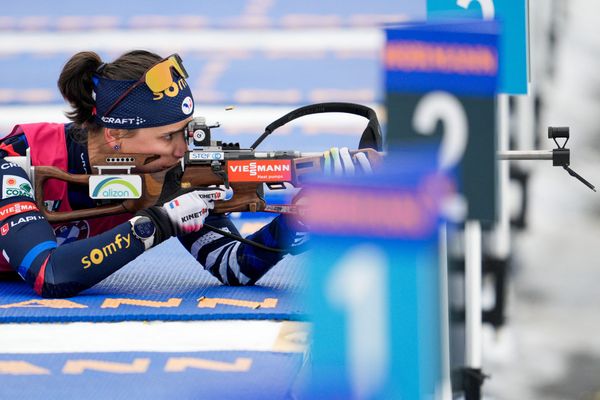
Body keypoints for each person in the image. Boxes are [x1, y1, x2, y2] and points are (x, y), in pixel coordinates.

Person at [0, 50, 368, 298]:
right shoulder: (18, 155)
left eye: (186, 131)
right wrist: (159, 224)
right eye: (167, 136)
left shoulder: (166, 174)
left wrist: (295, 222)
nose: (181, 150)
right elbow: (49, 273)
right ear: (114, 134)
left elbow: (233, 265)